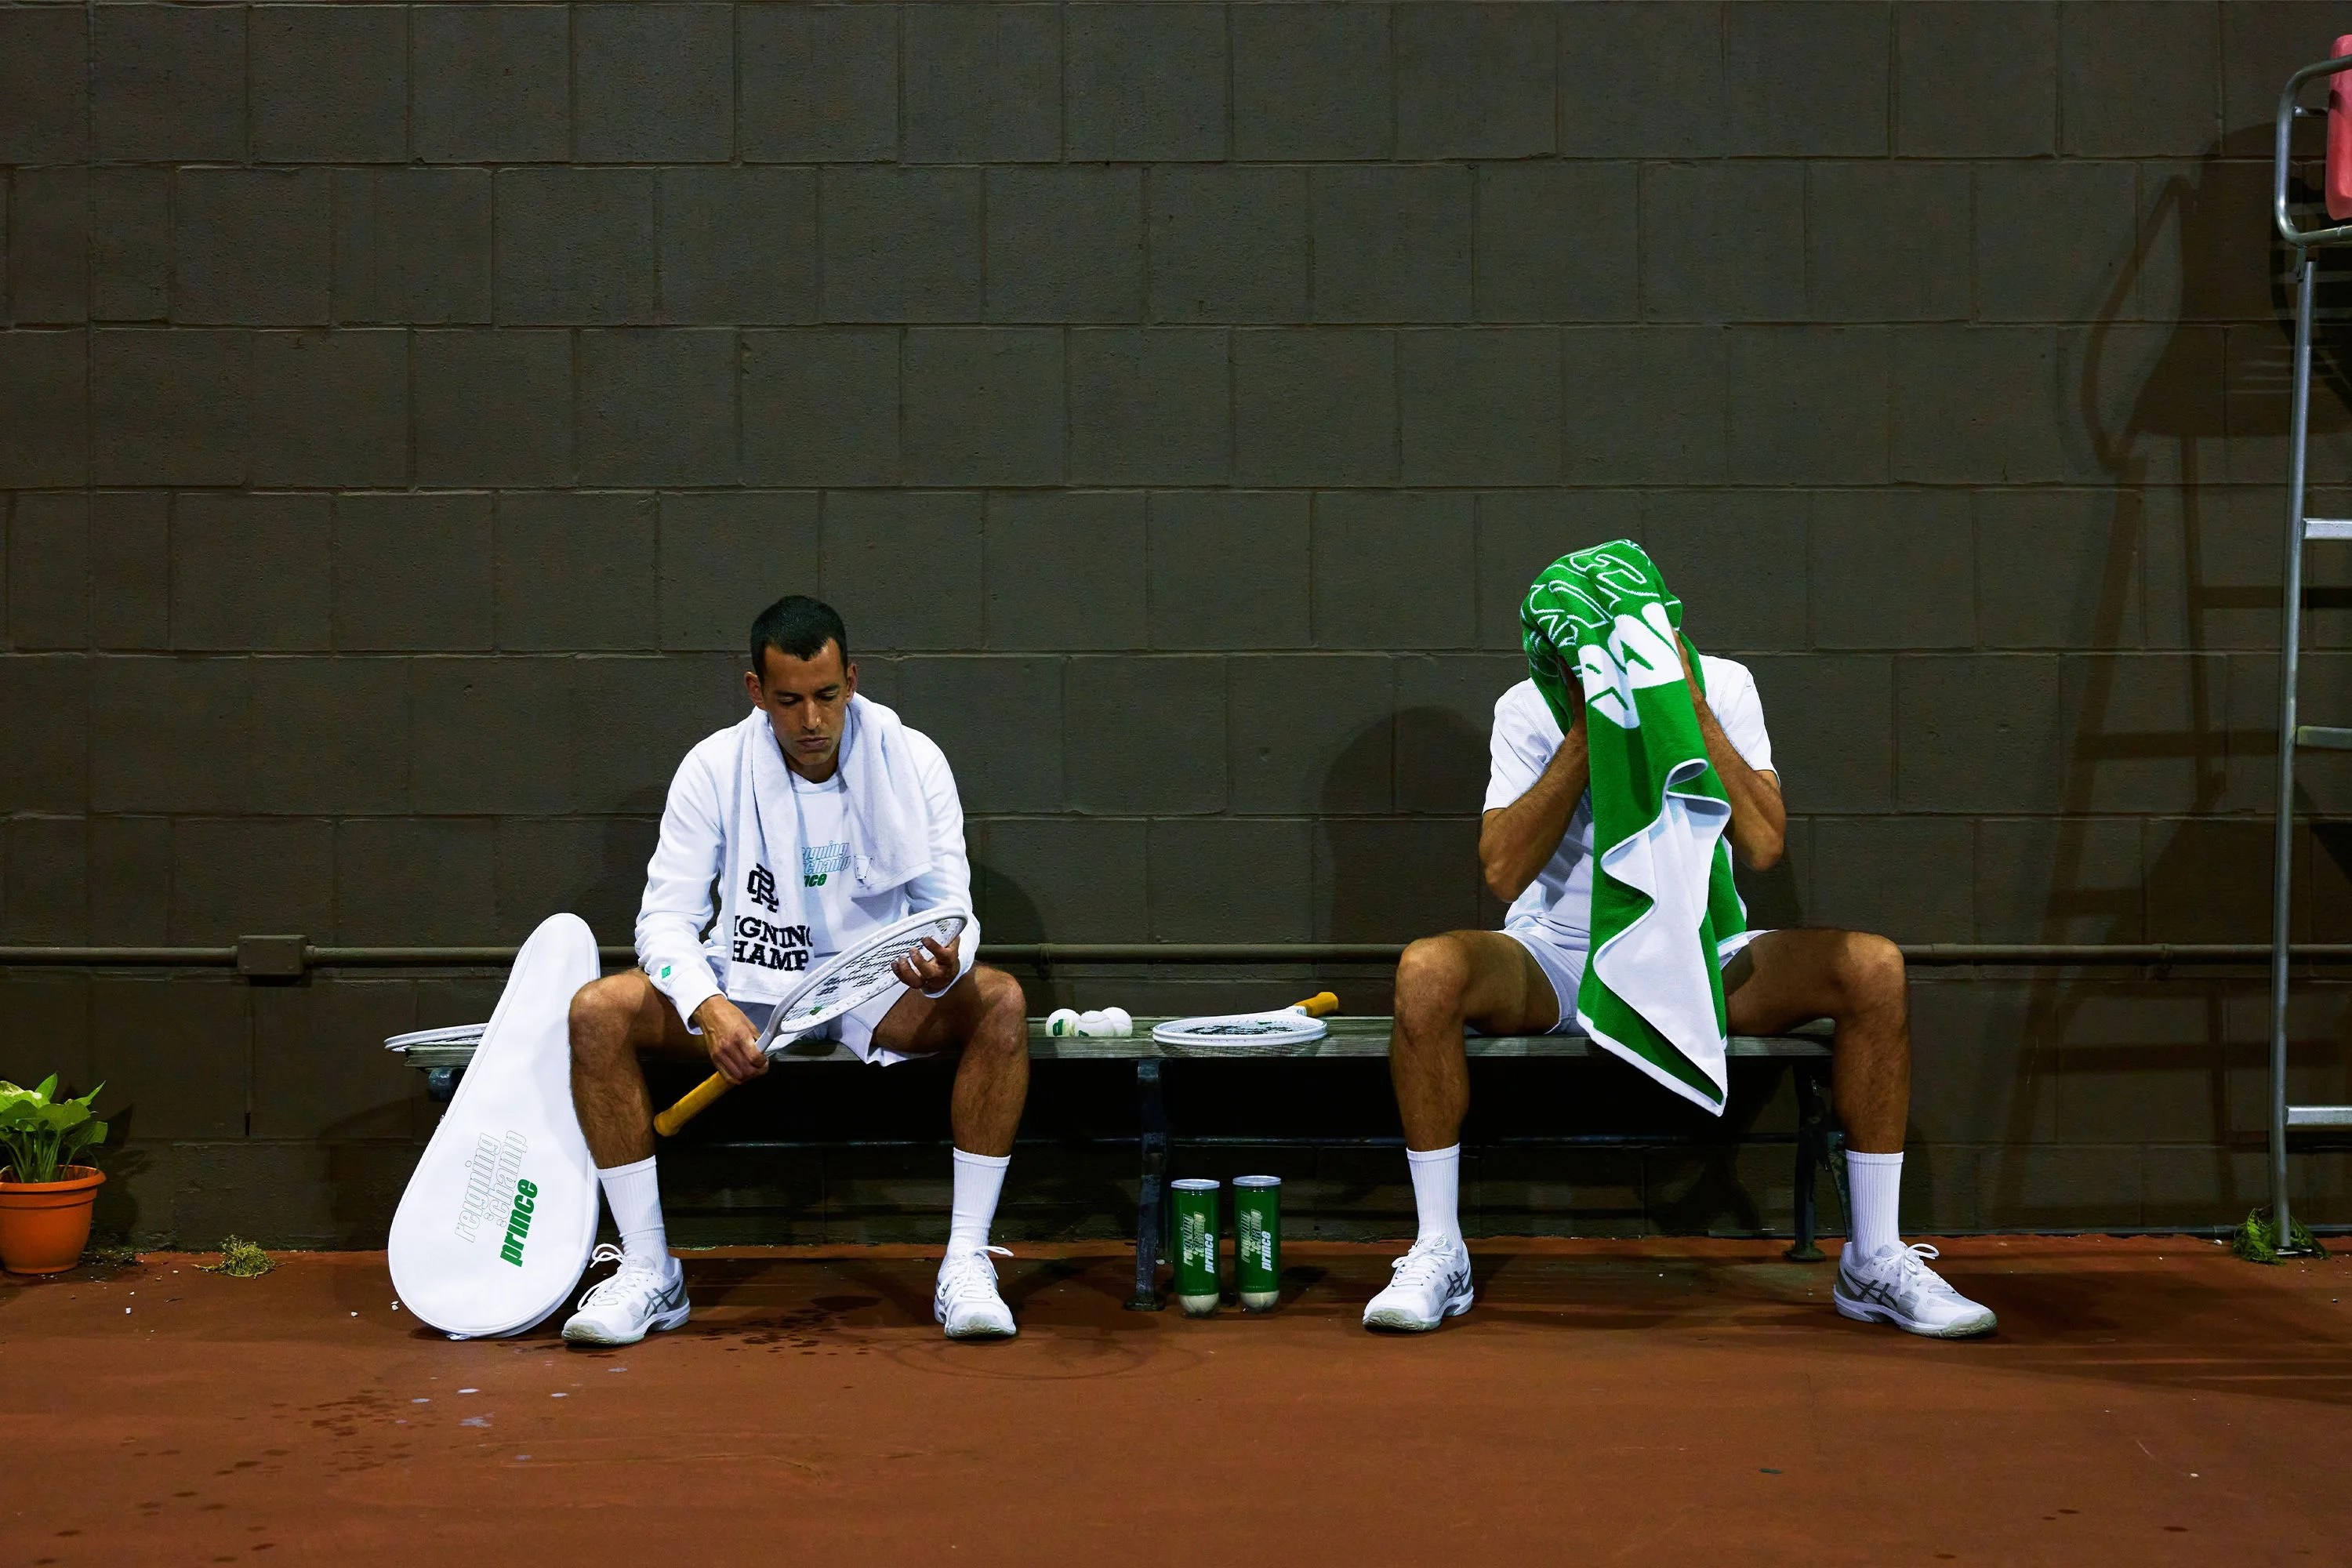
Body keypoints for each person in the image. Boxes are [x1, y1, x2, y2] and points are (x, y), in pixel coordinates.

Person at [1365, 625, 1997, 1340]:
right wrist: (1584, 733)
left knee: (1873, 966)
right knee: (1426, 971)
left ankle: (1874, 1258)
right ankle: (1439, 1249)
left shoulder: (1723, 685)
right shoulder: (1528, 705)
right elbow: (1504, 872)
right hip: (1561, 956)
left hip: (1699, 948)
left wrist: (1688, 711)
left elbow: (1763, 844)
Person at [560, 596, 1029, 1347]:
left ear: (852, 678)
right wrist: (708, 1005)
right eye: (788, 701)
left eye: (827, 696)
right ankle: (650, 1271)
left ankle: (967, 1261)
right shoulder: (712, 767)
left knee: (1001, 1000)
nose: (811, 720)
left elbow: (951, 911)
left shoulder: (915, 759)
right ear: (755, 691)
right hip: (747, 987)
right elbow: (664, 921)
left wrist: (945, 966)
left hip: (879, 985)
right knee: (595, 1010)